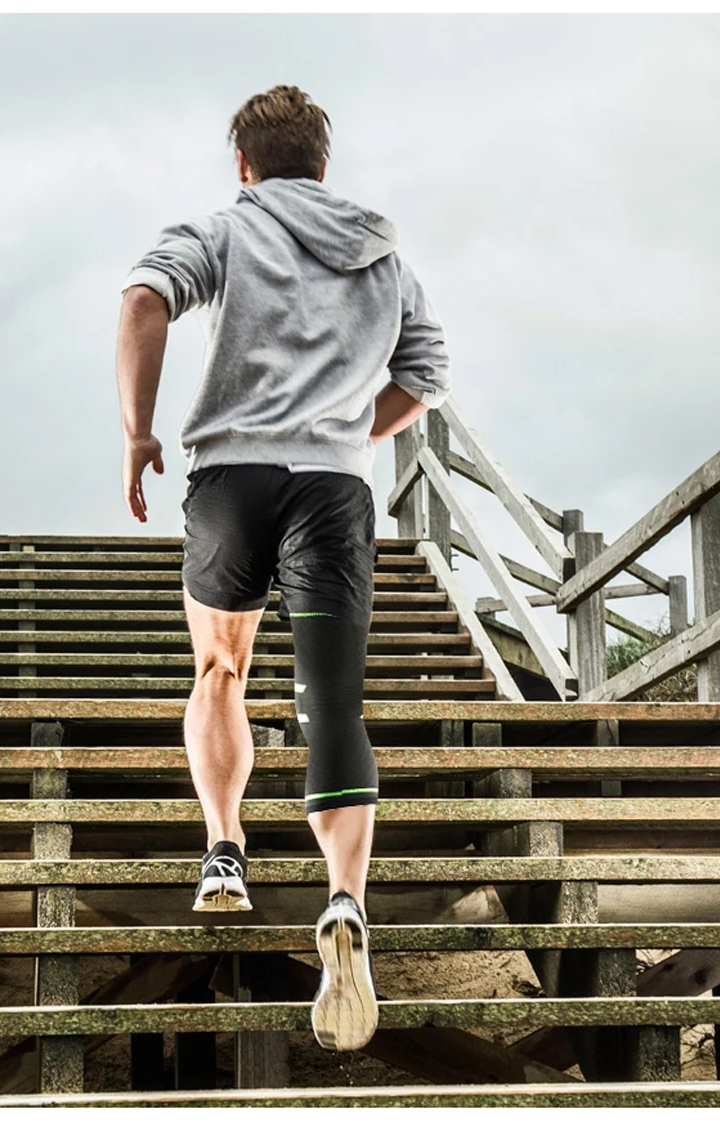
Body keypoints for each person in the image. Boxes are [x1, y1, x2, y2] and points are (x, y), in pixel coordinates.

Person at [116, 84, 451, 1053]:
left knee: (219, 667)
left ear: (244, 165)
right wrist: (348, 429)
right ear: (323, 165)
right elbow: (426, 375)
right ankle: (343, 901)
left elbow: (143, 299)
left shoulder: (225, 230)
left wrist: (139, 433)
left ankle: (224, 850)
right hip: (331, 487)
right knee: (332, 707)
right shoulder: (381, 255)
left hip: (232, 479)